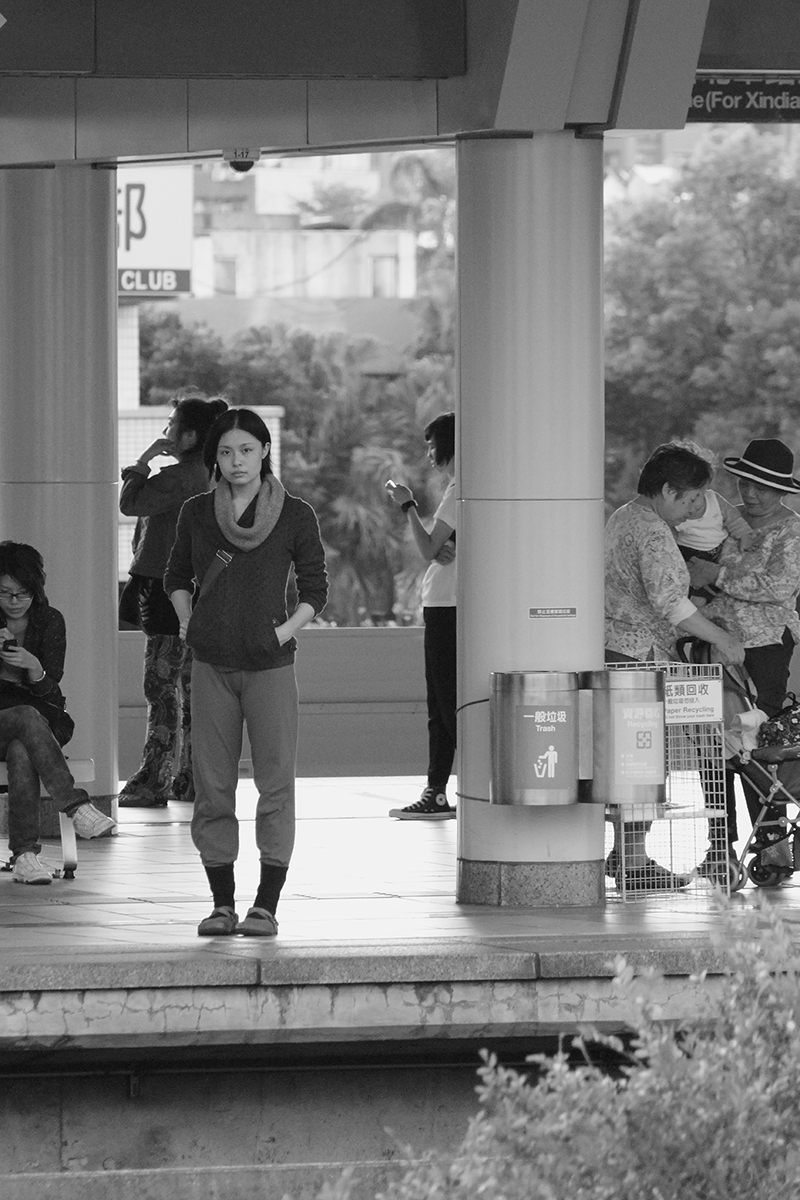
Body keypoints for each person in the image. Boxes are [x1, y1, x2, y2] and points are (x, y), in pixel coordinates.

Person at [164, 407, 328, 937]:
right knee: (213, 788)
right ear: (214, 456)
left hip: (271, 667)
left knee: (275, 786)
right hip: (211, 664)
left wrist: (281, 633)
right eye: (226, 451)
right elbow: (175, 575)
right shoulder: (196, 512)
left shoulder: (295, 514)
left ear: (264, 452)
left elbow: (315, 589)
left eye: (247, 450)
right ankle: (220, 904)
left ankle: (266, 905)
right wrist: (187, 620)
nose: (236, 461)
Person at [605, 443, 745, 891]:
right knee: (642, 760)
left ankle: (623, 853)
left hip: (615, 651)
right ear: (667, 491)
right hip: (640, 655)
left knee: (629, 758)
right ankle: (632, 862)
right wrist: (721, 637)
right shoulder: (652, 531)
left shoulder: (622, 516)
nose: (695, 510)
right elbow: (671, 603)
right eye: (691, 499)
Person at [689, 439, 800, 870]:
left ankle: (771, 842)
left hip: (766, 646)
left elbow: (779, 587)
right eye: (745, 484)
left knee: (756, 742)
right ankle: (720, 846)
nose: (751, 494)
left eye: (762, 488)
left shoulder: (792, 531)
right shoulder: (725, 522)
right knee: (711, 743)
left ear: (782, 491)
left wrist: (717, 574)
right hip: (713, 643)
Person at [118, 392, 228, 807]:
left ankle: (153, 781)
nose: (166, 430)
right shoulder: (213, 476)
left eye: (172, 425)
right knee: (191, 688)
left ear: (190, 435)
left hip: (166, 590)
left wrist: (144, 459)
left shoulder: (180, 477)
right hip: (202, 589)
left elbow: (129, 503)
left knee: (161, 686)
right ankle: (191, 779)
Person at [0, 541, 116, 885]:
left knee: (22, 748)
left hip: (35, 728)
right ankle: (76, 806)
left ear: (36, 590)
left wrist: (35, 669)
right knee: (24, 715)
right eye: (5, 593)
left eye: (23, 593)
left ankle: (25, 857)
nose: (14, 602)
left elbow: (52, 694)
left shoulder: (49, 621)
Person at [385, 412, 457, 820]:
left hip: (448, 606)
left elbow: (429, 549)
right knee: (442, 704)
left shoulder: (459, 490)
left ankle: (443, 790)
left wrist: (407, 505)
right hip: (447, 604)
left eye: (432, 446)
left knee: (445, 704)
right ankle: (437, 791)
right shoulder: (468, 489)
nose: (430, 454)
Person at [675, 486, 754, 601]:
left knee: (714, 586)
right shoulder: (675, 512)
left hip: (718, 549)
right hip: (689, 550)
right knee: (690, 586)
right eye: (683, 503)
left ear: (703, 489)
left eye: (693, 500)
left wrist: (744, 535)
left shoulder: (714, 501)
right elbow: (670, 536)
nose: (691, 508)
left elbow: (734, 519)